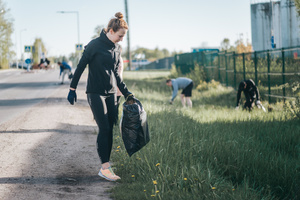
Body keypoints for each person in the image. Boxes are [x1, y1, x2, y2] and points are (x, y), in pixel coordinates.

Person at [67, 12, 134, 181]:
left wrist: (127, 93)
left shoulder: (117, 49)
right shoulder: (94, 45)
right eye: (120, 36)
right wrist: (72, 88)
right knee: (103, 128)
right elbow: (81, 66)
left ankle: (106, 164)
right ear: (111, 31)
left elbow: (116, 75)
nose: (121, 39)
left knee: (109, 129)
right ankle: (104, 168)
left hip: (111, 93)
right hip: (95, 92)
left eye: (123, 37)